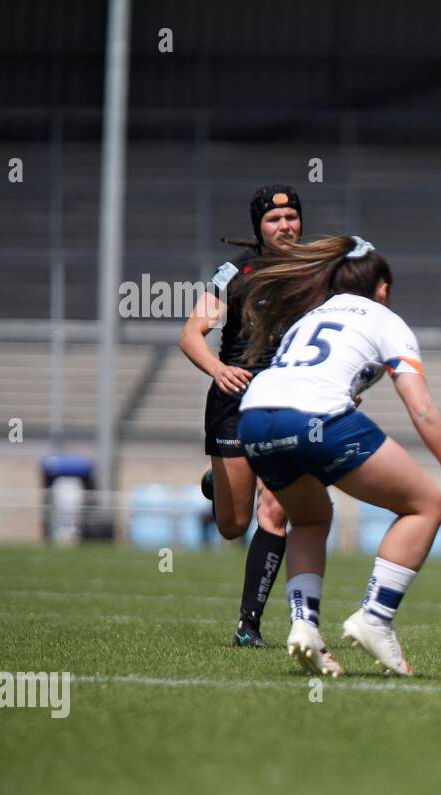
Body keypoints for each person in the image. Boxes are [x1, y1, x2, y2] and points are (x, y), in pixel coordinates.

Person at [236, 235, 441, 677]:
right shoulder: (385, 319)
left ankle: (304, 626)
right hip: (314, 418)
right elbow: (420, 406)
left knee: (310, 518)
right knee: (428, 504)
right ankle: (375, 617)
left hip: (253, 416)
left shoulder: (309, 316)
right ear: (382, 288)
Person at [178, 185, 302, 648]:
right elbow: (191, 333)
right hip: (234, 401)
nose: (285, 225)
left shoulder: (317, 271)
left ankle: (248, 626)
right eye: (274, 219)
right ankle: (217, 482)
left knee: (274, 510)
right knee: (231, 526)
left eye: (291, 216)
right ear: (259, 228)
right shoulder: (235, 273)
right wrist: (218, 368)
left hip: (286, 404)